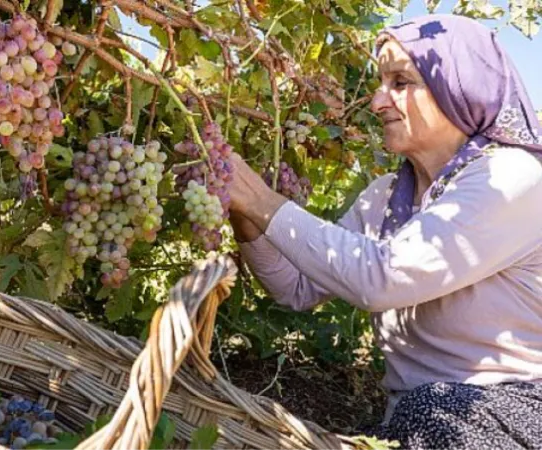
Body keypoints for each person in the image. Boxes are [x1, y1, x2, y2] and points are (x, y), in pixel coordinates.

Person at [226, 14, 542, 450]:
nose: (378, 101)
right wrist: (245, 214)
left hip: (509, 414)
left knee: (429, 410)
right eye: (381, 82)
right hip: (424, 420)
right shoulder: (387, 197)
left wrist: (265, 201)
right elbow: (296, 288)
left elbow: (383, 279)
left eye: (401, 82)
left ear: (457, 85)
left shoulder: (512, 178)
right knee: (426, 411)